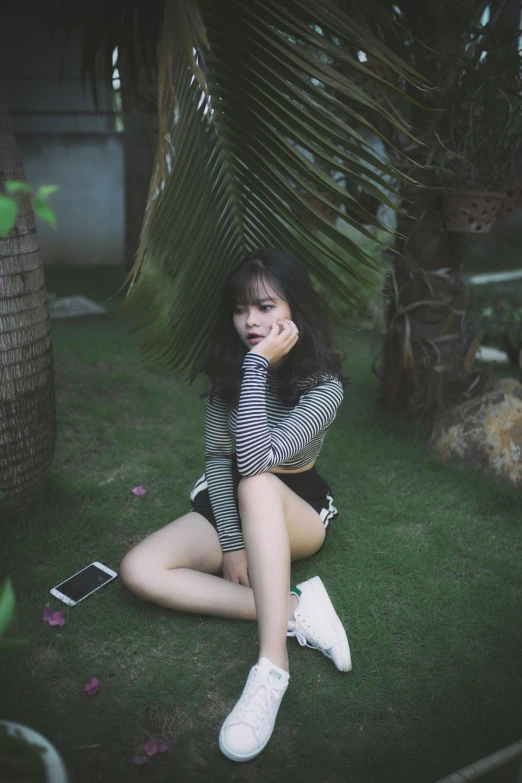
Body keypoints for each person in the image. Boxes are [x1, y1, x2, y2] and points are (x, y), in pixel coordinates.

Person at [120, 248, 352, 763]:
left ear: (297, 310)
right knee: (140, 569)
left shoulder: (323, 386)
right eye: (241, 309)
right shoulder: (228, 373)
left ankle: (272, 667)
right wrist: (231, 544)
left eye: (267, 306)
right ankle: (295, 608)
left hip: (297, 507)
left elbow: (255, 459)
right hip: (234, 497)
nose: (251, 321)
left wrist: (256, 367)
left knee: (258, 484)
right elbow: (219, 459)